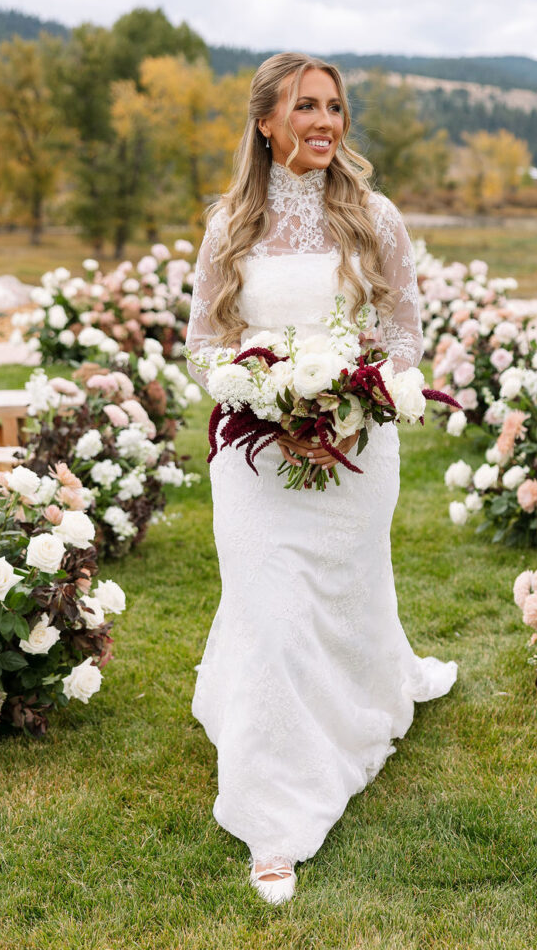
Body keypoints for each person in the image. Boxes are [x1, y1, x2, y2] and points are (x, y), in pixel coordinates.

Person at [185, 52, 457, 905]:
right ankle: (275, 820)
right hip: (256, 457)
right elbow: (202, 344)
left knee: (338, 600)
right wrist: (266, 403)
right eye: (305, 105)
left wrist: (345, 407)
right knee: (270, 613)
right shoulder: (230, 221)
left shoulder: (373, 216)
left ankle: (359, 699)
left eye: (335, 106)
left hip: (355, 449)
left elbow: (403, 336)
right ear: (266, 121)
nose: (324, 121)